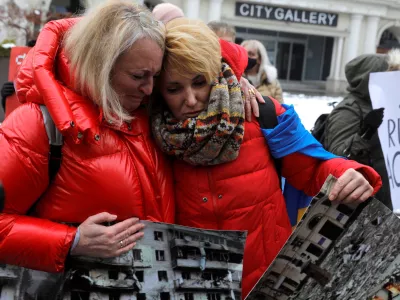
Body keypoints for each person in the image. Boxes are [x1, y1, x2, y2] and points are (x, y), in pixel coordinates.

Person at [150, 18, 382, 298]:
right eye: (174, 89)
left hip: (266, 282)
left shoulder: (262, 113)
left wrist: (349, 173)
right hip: (191, 286)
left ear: (216, 73)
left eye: (199, 82)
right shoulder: (148, 130)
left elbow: (313, 167)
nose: (190, 100)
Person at [0, 0, 174, 277]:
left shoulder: (148, 115)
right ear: (101, 64)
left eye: (156, 75)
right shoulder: (37, 124)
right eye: (139, 76)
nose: (150, 87)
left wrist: (236, 84)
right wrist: (73, 241)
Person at [324, 52, 399, 210]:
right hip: (357, 202)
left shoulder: (385, 104)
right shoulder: (349, 110)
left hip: (383, 197)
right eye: (391, 73)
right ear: (370, 78)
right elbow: (338, 155)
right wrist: (366, 132)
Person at [241, 39, 284, 103]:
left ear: (260, 59)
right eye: (244, 53)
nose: (247, 57)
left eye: (251, 54)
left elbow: (280, 107)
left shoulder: (273, 84)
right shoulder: (236, 78)